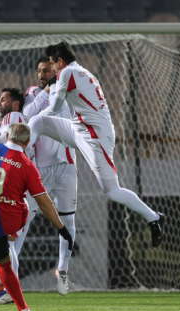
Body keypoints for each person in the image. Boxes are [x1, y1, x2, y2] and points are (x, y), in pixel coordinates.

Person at [27, 41, 165, 248]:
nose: (52, 68)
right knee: (36, 122)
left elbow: (55, 108)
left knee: (112, 191)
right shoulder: (81, 72)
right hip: (77, 128)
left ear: (60, 61)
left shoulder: (66, 74)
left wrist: (50, 88)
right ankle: (19, 160)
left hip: (95, 137)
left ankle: (153, 217)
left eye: (53, 64)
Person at [0, 123, 74, 311]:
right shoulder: (28, 165)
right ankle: (13, 237)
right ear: (28, 142)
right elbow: (44, 202)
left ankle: (23, 308)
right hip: (13, 221)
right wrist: (61, 228)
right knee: (27, 204)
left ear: (8, 136)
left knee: (2, 262)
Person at [21, 57, 78, 295]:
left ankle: (62, 270)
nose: (43, 74)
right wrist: (46, 90)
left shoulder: (69, 92)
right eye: (40, 71)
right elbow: (27, 114)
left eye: (47, 70)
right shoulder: (34, 92)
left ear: (56, 69)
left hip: (67, 166)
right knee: (25, 217)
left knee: (68, 220)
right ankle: (7, 273)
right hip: (40, 169)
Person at [0, 87, 27, 305]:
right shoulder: (15, 119)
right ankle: (6, 284)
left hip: (17, 187)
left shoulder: (13, 117)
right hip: (18, 186)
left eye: (3, 99)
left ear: (16, 103)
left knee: (9, 241)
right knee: (11, 243)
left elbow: (3, 143)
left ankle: (10, 291)